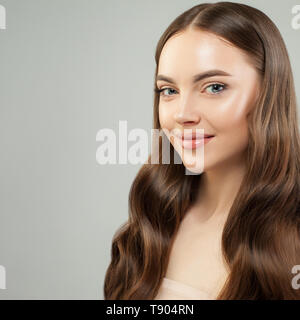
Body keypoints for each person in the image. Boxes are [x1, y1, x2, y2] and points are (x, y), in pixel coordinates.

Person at [104, 2, 300, 300]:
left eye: (214, 87)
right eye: (169, 91)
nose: (183, 114)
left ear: (268, 93)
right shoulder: (153, 218)